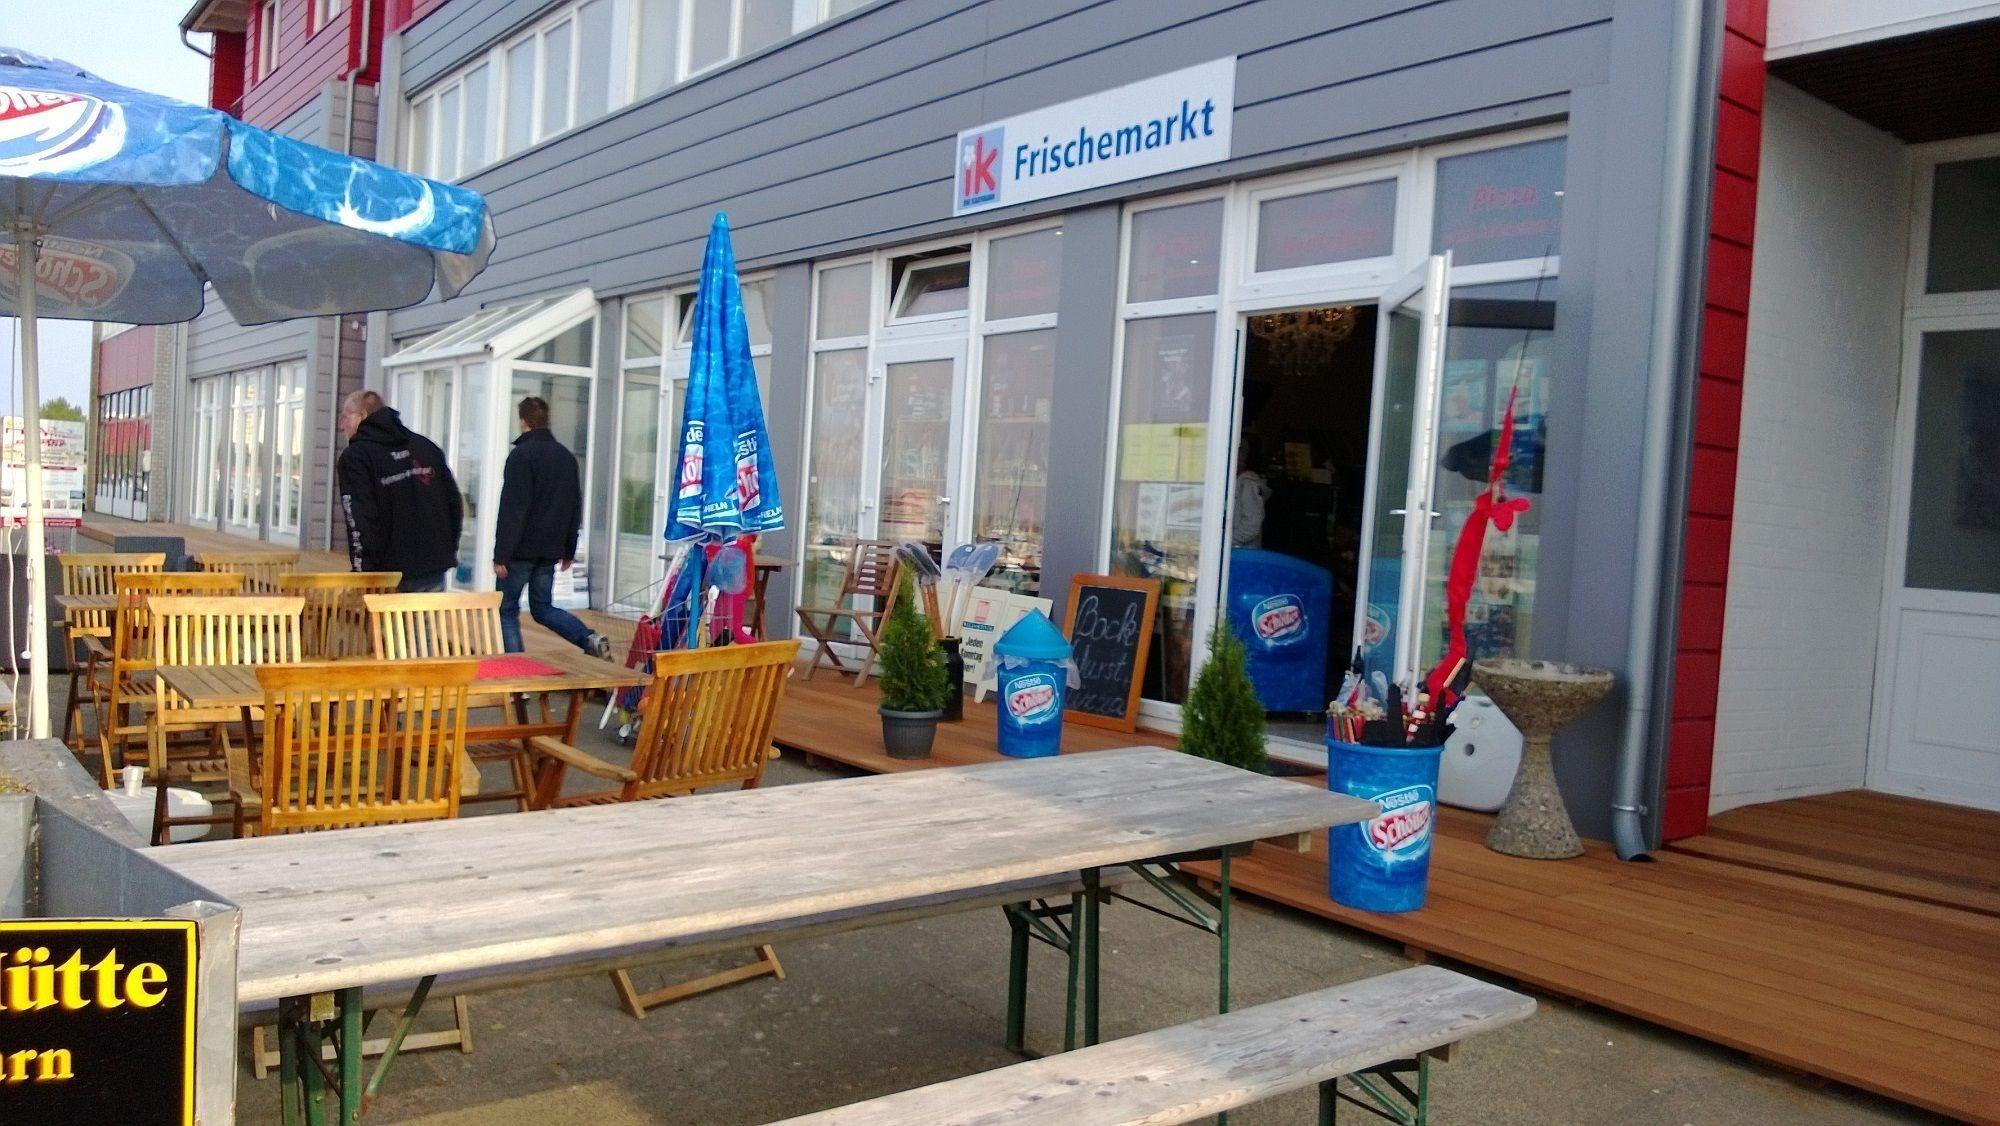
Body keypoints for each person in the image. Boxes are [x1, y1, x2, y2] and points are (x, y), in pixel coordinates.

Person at [493, 396, 611, 658]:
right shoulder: (566, 458)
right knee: (543, 608)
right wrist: (569, 549)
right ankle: (589, 638)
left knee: (506, 609)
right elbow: (574, 506)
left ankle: (518, 671)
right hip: (550, 551)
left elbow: (513, 509)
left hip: (520, 550)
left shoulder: (521, 456)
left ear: (523, 421)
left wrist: (501, 554)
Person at [337, 390, 462, 592]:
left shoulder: (357, 457)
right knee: (427, 615)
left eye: (345, 417)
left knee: (390, 616)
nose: (342, 425)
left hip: (388, 575)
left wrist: (362, 573)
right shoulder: (425, 447)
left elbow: (359, 519)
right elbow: (454, 504)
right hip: (432, 567)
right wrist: (447, 549)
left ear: (362, 416)